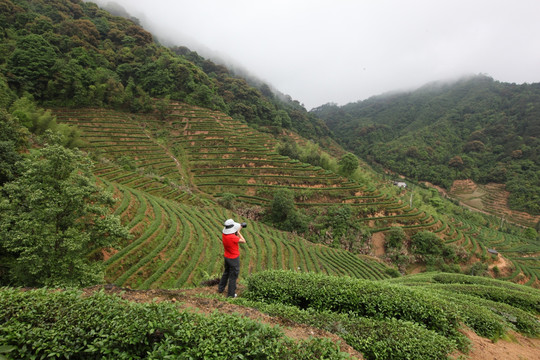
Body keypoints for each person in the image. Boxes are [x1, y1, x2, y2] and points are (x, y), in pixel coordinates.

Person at [218, 219, 246, 298]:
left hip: (227, 257)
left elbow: (233, 233)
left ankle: (220, 288)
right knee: (233, 276)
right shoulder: (232, 237)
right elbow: (243, 241)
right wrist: (239, 232)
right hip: (234, 258)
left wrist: (238, 230)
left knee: (226, 272)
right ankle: (231, 294)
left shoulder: (224, 235)